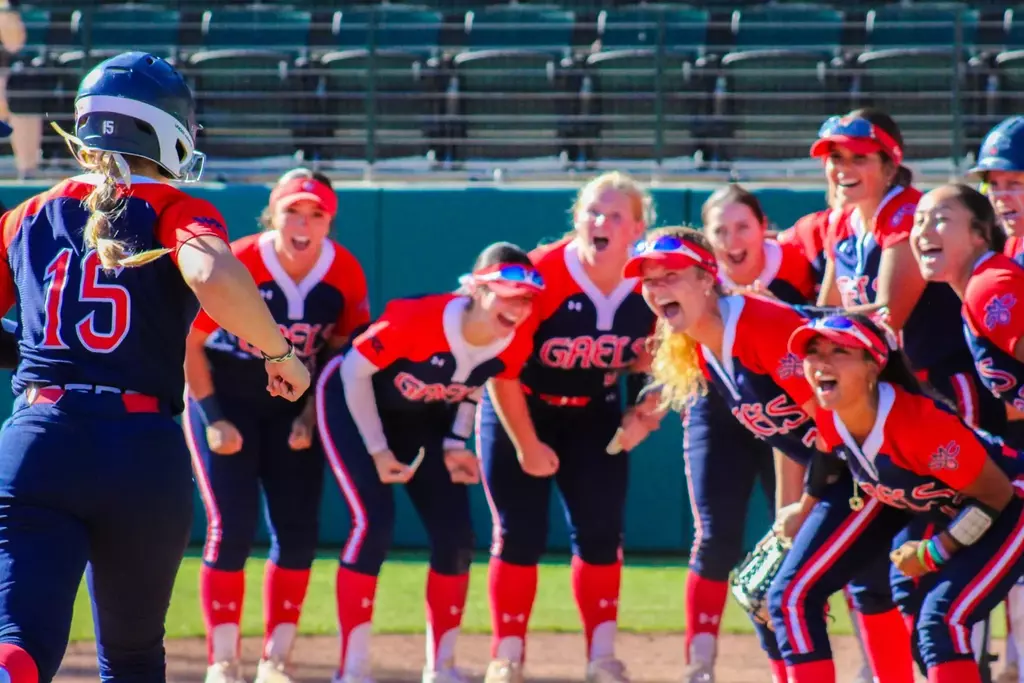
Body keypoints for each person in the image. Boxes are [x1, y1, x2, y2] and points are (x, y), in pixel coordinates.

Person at [0, 51, 310, 683]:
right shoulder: (175, 209)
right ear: (162, 127)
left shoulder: (24, 217)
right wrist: (280, 354)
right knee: (134, 657)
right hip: (138, 448)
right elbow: (209, 272)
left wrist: (34, 347)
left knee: (18, 644)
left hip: (38, 438)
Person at [630, 226, 914, 683]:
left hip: (877, 462)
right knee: (763, 592)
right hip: (844, 468)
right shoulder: (702, 346)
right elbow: (790, 438)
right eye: (649, 280)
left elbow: (833, 424)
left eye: (670, 275)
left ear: (706, 277)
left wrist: (806, 506)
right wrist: (792, 506)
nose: (657, 288)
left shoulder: (760, 326)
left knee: (791, 596)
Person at [317, 242, 541, 683]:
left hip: (421, 419)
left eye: (528, 297)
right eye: (507, 292)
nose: (519, 306)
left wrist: (458, 441)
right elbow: (352, 372)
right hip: (354, 403)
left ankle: (441, 669)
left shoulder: (513, 341)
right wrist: (378, 450)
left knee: (457, 537)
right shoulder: (418, 318)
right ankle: (353, 669)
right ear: (477, 289)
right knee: (373, 523)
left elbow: (474, 382)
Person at [184, 168, 370, 683]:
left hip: (293, 407)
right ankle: (223, 661)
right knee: (231, 530)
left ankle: (275, 659)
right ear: (274, 213)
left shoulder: (344, 271)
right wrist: (214, 418)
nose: (304, 222)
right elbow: (190, 343)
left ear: (329, 220)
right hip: (225, 399)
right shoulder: (240, 258)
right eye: (293, 210)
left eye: (316, 213)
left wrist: (311, 415)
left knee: (297, 533)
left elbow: (339, 352)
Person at [478, 172, 661, 683]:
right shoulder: (542, 273)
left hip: (594, 412)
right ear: (576, 218)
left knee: (601, 533)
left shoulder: (650, 279)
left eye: (614, 215)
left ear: (637, 227)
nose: (600, 222)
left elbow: (669, 358)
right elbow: (503, 368)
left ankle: (602, 656)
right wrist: (527, 443)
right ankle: (506, 655)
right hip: (523, 405)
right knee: (519, 533)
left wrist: (648, 407)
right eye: (592, 212)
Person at [784, 312, 1024, 683]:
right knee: (929, 625)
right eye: (814, 351)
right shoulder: (833, 414)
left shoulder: (917, 424)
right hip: (973, 513)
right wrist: (804, 508)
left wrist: (934, 551)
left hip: (1013, 503)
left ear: (873, 365)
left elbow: (996, 495)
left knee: (942, 622)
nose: (821, 363)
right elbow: (827, 456)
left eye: (838, 351)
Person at [679, 184, 818, 682]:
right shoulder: (695, 282)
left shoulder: (798, 268)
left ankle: (814, 662)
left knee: (795, 540)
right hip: (721, 410)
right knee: (717, 539)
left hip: (793, 414)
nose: (732, 238)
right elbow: (672, 355)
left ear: (764, 227)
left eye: (742, 226)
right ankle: (700, 664)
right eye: (720, 230)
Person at [908, 182, 1024, 682]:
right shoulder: (977, 289)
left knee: (944, 617)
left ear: (979, 233)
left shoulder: (990, 286)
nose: (922, 230)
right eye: (917, 221)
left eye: (940, 219)